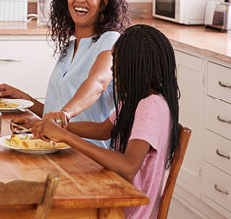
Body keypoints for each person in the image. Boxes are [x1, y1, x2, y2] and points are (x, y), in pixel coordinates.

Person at [29, 24, 181, 219]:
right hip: (116, 195)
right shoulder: (136, 99)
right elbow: (103, 130)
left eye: (116, 62)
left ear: (135, 66)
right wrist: (54, 128)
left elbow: (128, 166)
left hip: (128, 211)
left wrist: (65, 136)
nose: (112, 68)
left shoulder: (151, 106)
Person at [0, 0, 129, 148]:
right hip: (57, 147)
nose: (80, 0)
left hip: (89, 154)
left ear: (103, 4)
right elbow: (54, 115)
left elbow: (98, 83)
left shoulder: (110, 40)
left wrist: (65, 114)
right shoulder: (70, 47)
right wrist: (23, 98)